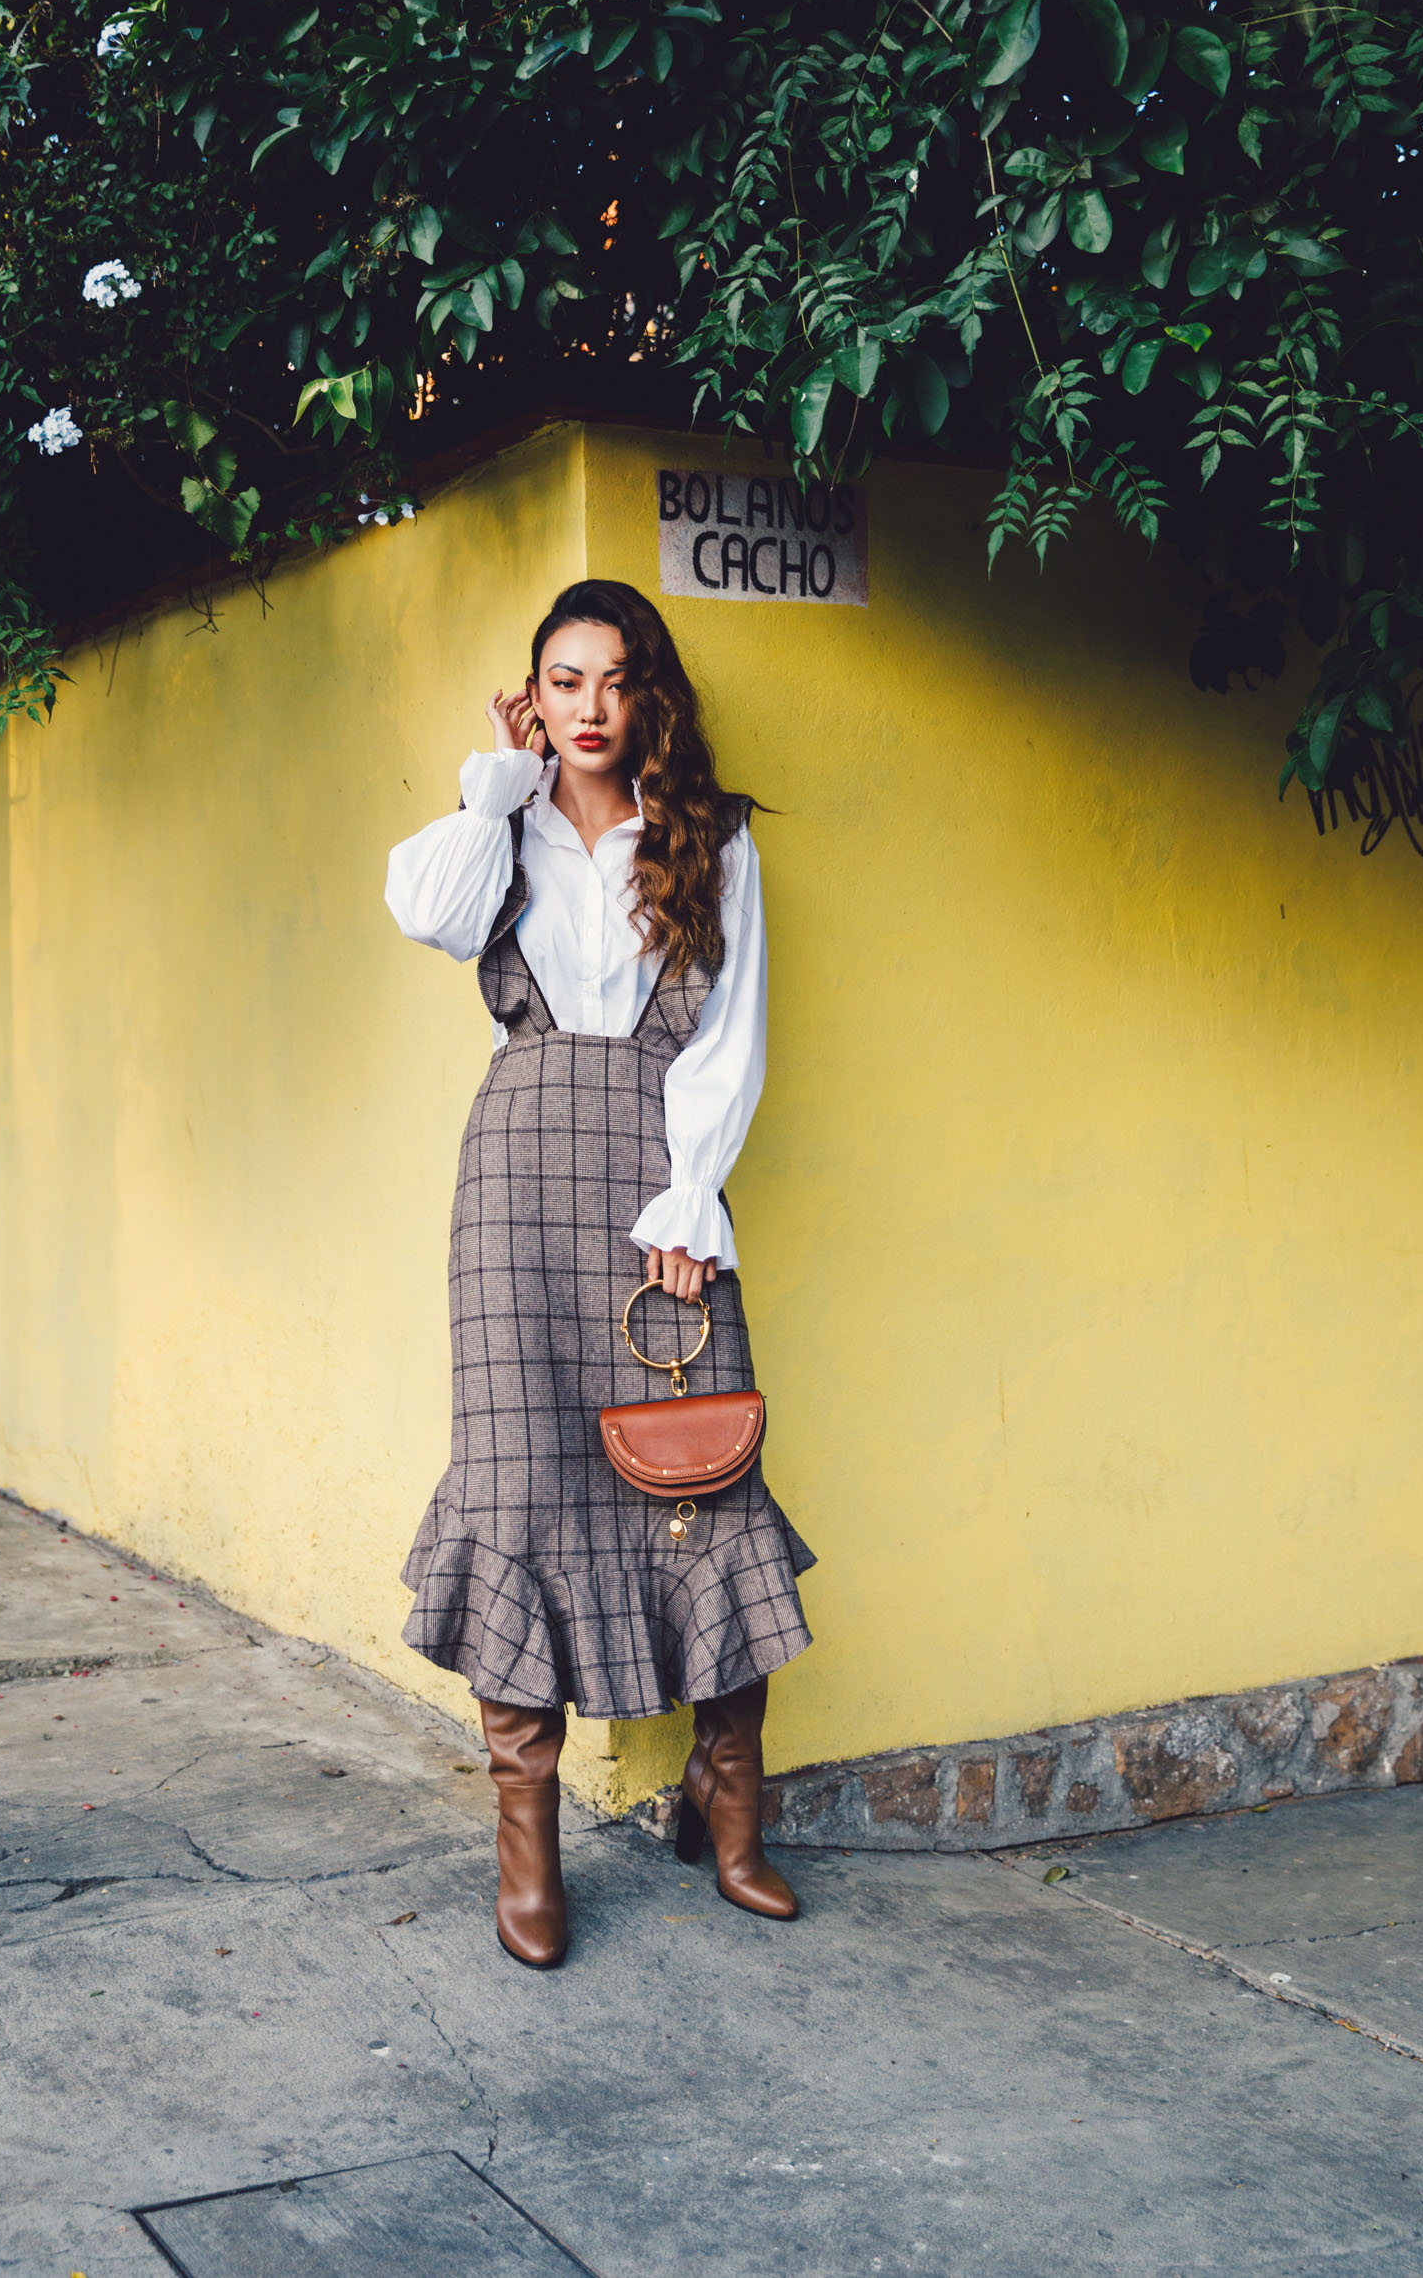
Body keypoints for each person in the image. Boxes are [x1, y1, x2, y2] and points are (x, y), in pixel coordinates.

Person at [384, 578, 814, 1966]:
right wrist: (494, 782)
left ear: (651, 699)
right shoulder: (496, 827)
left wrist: (686, 1207)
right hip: (514, 1186)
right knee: (522, 1487)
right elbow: (425, 914)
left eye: (612, 681)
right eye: (561, 681)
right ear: (534, 695)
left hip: (653, 1173)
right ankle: (527, 1852)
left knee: (700, 1477)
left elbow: (729, 1035)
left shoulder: (713, 840)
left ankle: (728, 1805)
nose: (587, 707)